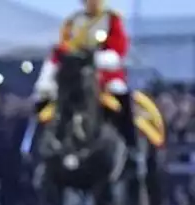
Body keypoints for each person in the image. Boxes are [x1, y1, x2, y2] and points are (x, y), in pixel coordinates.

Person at [33, 0, 143, 170]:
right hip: (73, 74)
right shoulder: (73, 21)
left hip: (103, 76)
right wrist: (46, 78)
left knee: (120, 94)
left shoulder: (111, 20)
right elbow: (61, 50)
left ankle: (131, 145)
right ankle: (36, 148)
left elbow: (118, 49)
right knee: (45, 103)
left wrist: (95, 59)